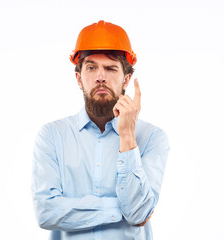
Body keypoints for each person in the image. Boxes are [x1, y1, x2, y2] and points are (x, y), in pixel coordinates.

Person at [31, 20, 170, 240]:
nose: (100, 76)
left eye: (110, 68)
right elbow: (45, 213)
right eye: (92, 67)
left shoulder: (152, 138)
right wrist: (123, 209)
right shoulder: (52, 136)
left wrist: (127, 136)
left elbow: (139, 212)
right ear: (79, 78)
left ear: (126, 79)